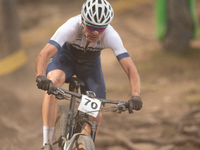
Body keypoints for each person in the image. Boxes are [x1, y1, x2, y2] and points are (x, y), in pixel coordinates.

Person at [35, 0, 143, 149]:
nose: (95, 32)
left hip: (90, 67)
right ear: (82, 20)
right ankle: (46, 143)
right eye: (91, 26)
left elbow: (130, 68)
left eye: (101, 28)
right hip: (65, 60)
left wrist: (135, 95)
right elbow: (44, 54)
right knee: (53, 82)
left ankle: (84, 144)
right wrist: (41, 75)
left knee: (96, 114)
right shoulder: (71, 26)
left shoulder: (111, 35)